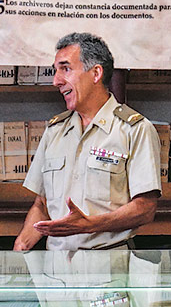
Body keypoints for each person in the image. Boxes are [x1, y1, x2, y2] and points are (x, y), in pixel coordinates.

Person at [14, 32, 161, 251]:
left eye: (65, 69)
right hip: (56, 271)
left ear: (96, 74)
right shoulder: (55, 130)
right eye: (56, 71)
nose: (56, 81)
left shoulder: (135, 129)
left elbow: (145, 208)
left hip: (110, 267)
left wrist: (89, 226)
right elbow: (42, 205)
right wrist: (21, 246)